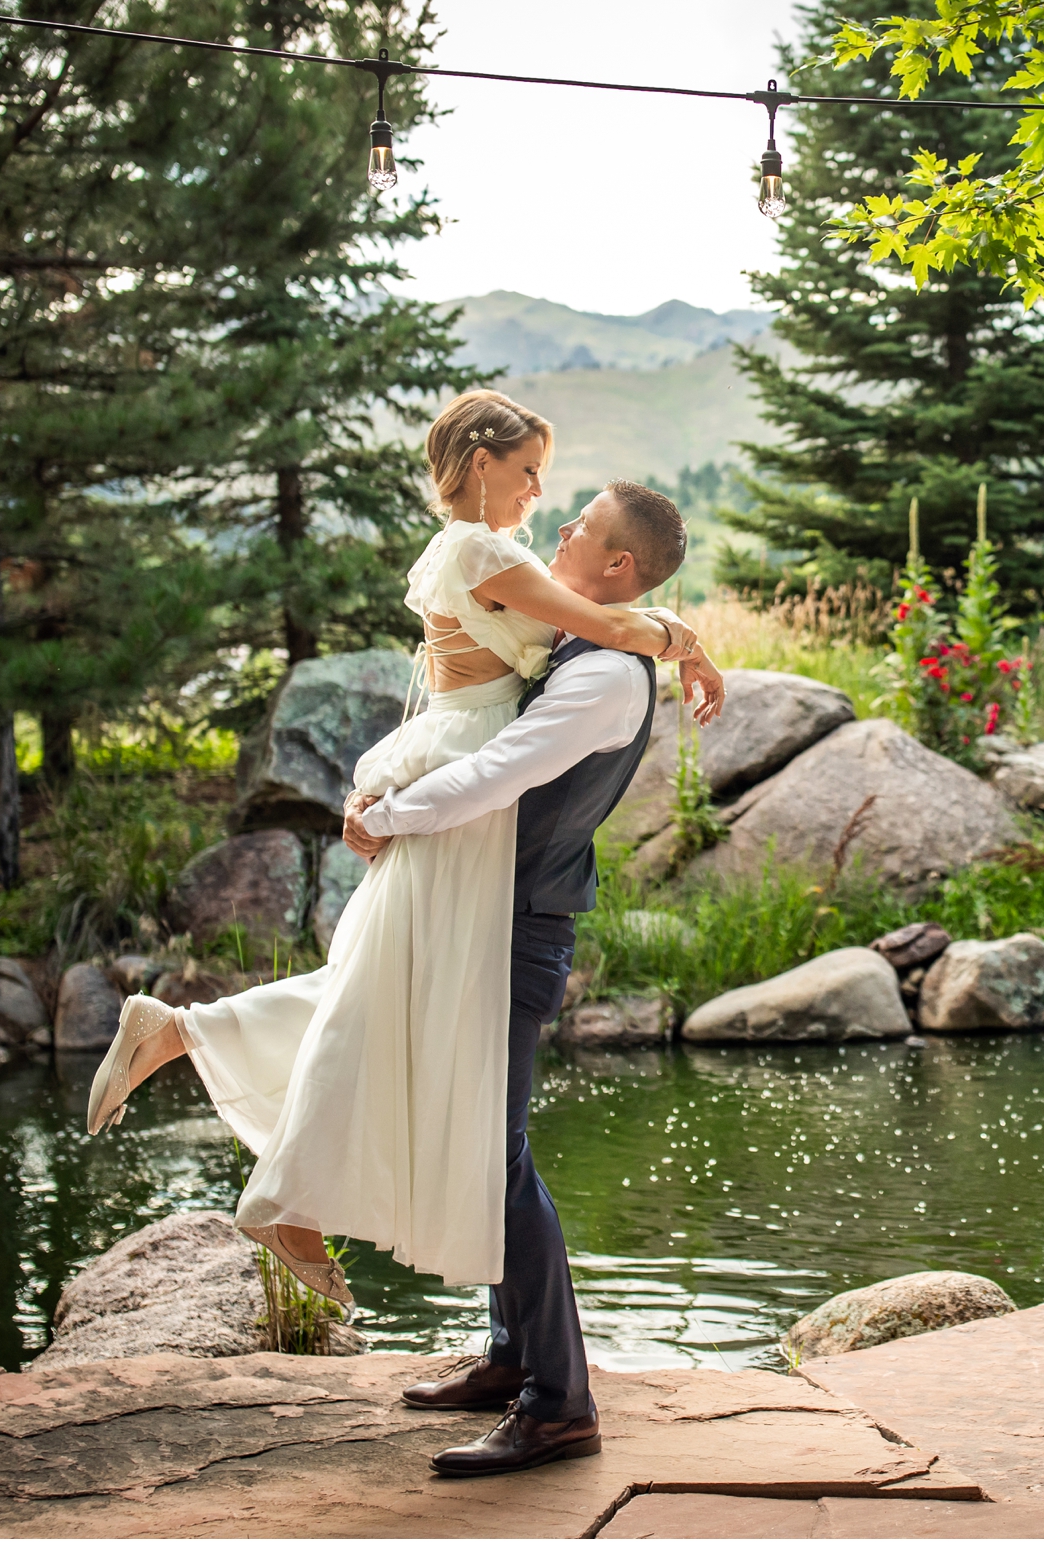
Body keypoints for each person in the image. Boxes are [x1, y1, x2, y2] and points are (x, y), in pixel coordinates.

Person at [82, 388, 719, 1345]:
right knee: (381, 1005)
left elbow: (598, 641)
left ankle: (198, 1053)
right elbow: (605, 638)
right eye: (533, 472)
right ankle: (292, 1200)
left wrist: (397, 789)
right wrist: (691, 645)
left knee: (378, 997)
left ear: (618, 560)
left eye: (569, 503)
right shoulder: (484, 552)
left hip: (458, 797)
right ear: (481, 464)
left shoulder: (486, 560)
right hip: (456, 802)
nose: (548, 499)